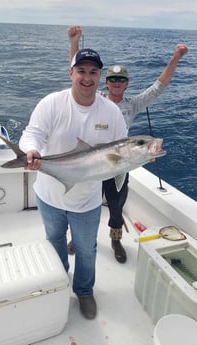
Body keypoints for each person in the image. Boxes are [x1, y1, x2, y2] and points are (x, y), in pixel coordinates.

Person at [19, 48, 127, 320]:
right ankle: (59, 285)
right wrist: (31, 151)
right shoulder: (52, 103)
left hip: (87, 201)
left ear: (100, 76)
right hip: (49, 194)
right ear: (71, 73)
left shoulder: (111, 111)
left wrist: (138, 156)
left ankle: (84, 290)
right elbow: (32, 133)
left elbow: (123, 149)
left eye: (93, 72)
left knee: (87, 250)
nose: (86, 77)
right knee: (54, 241)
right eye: (81, 71)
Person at [67, 25, 188, 263]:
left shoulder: (132, 104)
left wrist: (175, 58)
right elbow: (76, 74)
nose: (117, 82)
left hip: (120, 165)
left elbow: (159, 86)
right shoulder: (96, 99)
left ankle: (115, 239)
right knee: (82, 204)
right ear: (106, 82)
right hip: (92, 162)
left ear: (126, 83)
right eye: (112, 78)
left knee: (116, 205)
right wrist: (74, 43)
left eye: (121, 79)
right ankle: (78, 238)